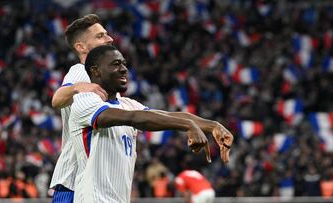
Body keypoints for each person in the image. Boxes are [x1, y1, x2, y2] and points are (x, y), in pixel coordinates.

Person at [69, 45, 233, 202]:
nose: (124, 69)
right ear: (95, 71)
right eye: (115, 64)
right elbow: (133, 118)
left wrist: (212, 126)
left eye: (124, 64)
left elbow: (165, 115)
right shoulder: (84, 101)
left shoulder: (126, 104)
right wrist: (187, 126)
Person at [49, 14, 111, 203]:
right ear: (81, 47)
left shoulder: (103, 80)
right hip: (74, 182)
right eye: (100, 36)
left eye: (106, 34)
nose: (110, 39)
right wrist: (77, 87)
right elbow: (57, 99)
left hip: (96, 184)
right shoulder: (81, 71)